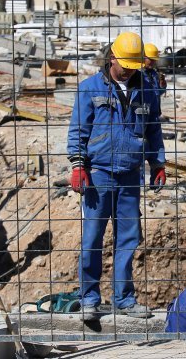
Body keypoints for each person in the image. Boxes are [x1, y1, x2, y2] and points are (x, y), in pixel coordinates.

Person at [67, 31, 166, 320]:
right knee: (92, 238)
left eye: (135, 66)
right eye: (126, 65)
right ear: (113, 58)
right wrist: (78, 165)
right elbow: (78, 131)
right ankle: (89, 299)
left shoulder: (147, 90)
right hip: (99, 174)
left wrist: (157, 163)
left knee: (128, 238)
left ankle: (124, 299)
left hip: (129, 175)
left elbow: (153, 129)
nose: (130, 71)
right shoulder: (90, 88)